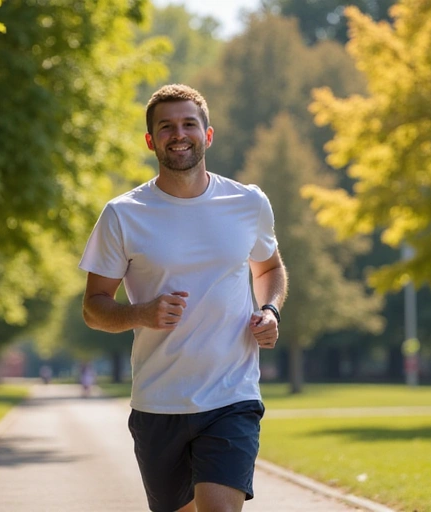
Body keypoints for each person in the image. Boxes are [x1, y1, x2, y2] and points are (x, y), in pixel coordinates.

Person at [79, 83, 288, 512]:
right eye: (166, 127)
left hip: (231, 396)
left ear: (207, 135)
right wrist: (141, 313)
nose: (179, 134)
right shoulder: (123, 214)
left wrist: (269, 310)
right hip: (159, 401)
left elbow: (269, 268)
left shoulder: (248, 202)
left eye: (189, 124)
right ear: (150, 140)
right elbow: (94, 307)